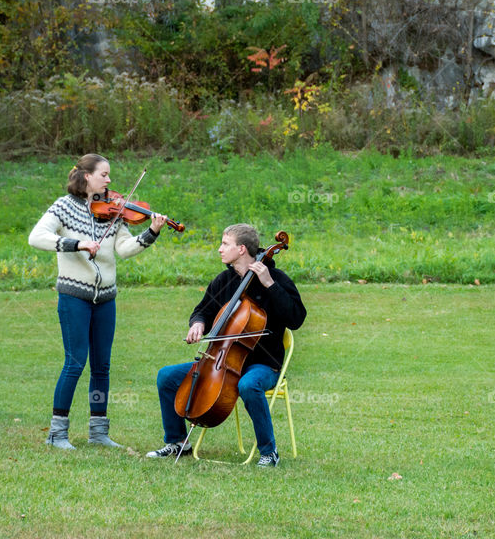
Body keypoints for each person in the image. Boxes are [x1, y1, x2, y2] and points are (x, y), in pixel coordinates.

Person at [29, 153, 168, 450]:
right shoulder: (64, 206)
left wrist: (151, 232)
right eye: (104, 174)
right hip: (74, 297)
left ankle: (98, 431)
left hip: (106, 298)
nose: (109, 180)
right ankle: (57, 433)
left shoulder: (113, 212)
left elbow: (125, 249)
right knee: (75, 362)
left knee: (102, 366)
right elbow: (36, 237)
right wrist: (76, 244)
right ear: (87, 176)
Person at [147, 223, 306, 467]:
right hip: (221, 361)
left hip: (263, 365)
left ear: (242, 249)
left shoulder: (276, 278)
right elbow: (203, 310)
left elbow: (296, 318)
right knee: (167, 377)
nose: (220, 249)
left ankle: (269, 452)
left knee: (249, 384)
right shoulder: (223, 280)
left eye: (225, 244)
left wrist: (269, 285)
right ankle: (178, 442)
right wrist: (198, 324)